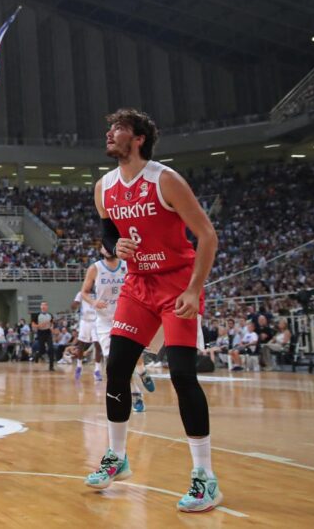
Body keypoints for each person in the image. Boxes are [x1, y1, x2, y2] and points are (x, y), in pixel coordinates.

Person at [84, 108, 222, 513]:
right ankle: (117, 456)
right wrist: (114, 248)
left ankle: (205, 477)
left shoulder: (165, 179)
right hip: (137, 286)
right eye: (108, 128)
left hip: (177, 284)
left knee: (182, 375)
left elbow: (207, 236)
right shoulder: (104, 186)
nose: (109, 134)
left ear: (138, 138)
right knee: (117, 370)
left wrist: (195, 289)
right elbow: (109, 230)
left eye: (118, 129)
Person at [80, 246, 156, 412]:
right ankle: (135, 393)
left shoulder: (127, 265)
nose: (106, 249)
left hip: (126, 315)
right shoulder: (95, 268)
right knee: (115, 363)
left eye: (109, 246)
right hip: (104, 321)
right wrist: (93, 302)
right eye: (103, 246)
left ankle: (143, 372)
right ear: (100, 249)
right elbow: (84, 292)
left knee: (133, 354)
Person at [72, 292, 103, 382]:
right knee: (81, 345)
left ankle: (97, 370)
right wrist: (75, 305)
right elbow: (73, 306)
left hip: (96, 321)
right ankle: (79, 365)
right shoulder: (81, 293)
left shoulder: (98, 292)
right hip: (84, 321)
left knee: (98, 345)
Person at [35, 302, 55, 370]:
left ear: (47, 307)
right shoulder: (37, 315)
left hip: (48, 332)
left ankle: (51, 366)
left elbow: (52, 323)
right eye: (42, 305)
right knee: (42, 350)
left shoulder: (50, 315)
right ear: (40, 307)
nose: (44, 306)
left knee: (51, 348)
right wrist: (39, 325)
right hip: (40, 333)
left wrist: (52, 328)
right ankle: (38, 354)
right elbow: (33, 325)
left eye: (45, 305)